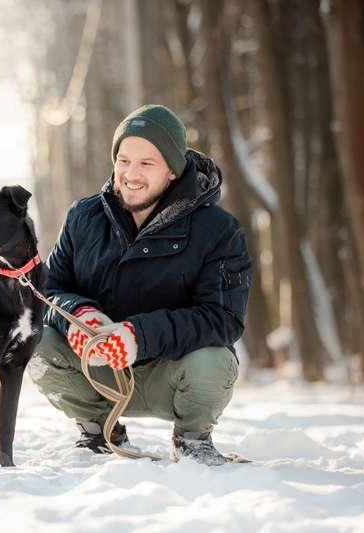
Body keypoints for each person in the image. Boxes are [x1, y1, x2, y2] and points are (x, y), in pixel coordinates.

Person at [29, 104, 252, 466]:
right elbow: (48, 291)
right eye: (123, 160)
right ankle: (99, 430)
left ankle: (193, 438)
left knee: (216, 358)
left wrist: (138, 336)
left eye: (147, 163)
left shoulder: (220, 231)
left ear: (173, 171)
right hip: (99, 369)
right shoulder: (82, 217)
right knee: (35, 337)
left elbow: (223, 318)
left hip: (175, 373)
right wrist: (79, 317)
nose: (131, 174)